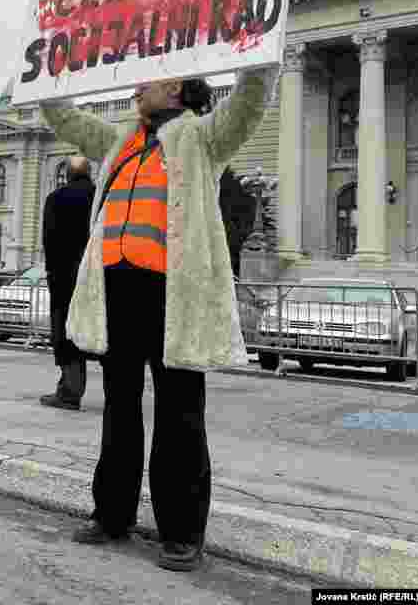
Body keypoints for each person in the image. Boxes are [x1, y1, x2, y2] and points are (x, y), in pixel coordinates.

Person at [40, 65, 279, 572]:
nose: (134, 87)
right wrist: (42, 79)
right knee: (119, 407)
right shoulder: (121, 139)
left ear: (174, 87)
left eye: (145, 81)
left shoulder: (202, 136)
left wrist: (261, 52)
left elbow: (250, 100)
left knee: (179, 412)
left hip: (173, 294)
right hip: (117, 289)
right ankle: (112, 515)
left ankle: (182, 530)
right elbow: (67, 121)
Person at [40, 155, 95, 410]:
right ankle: (118, 394)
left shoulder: (56, 199)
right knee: (103, 332)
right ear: (90, 173)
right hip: (98, 276)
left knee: (67, 333)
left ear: (68, 175)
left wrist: (52, 273)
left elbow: (49, 242)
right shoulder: (102, 197)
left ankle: (70, 391)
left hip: (65, 278)